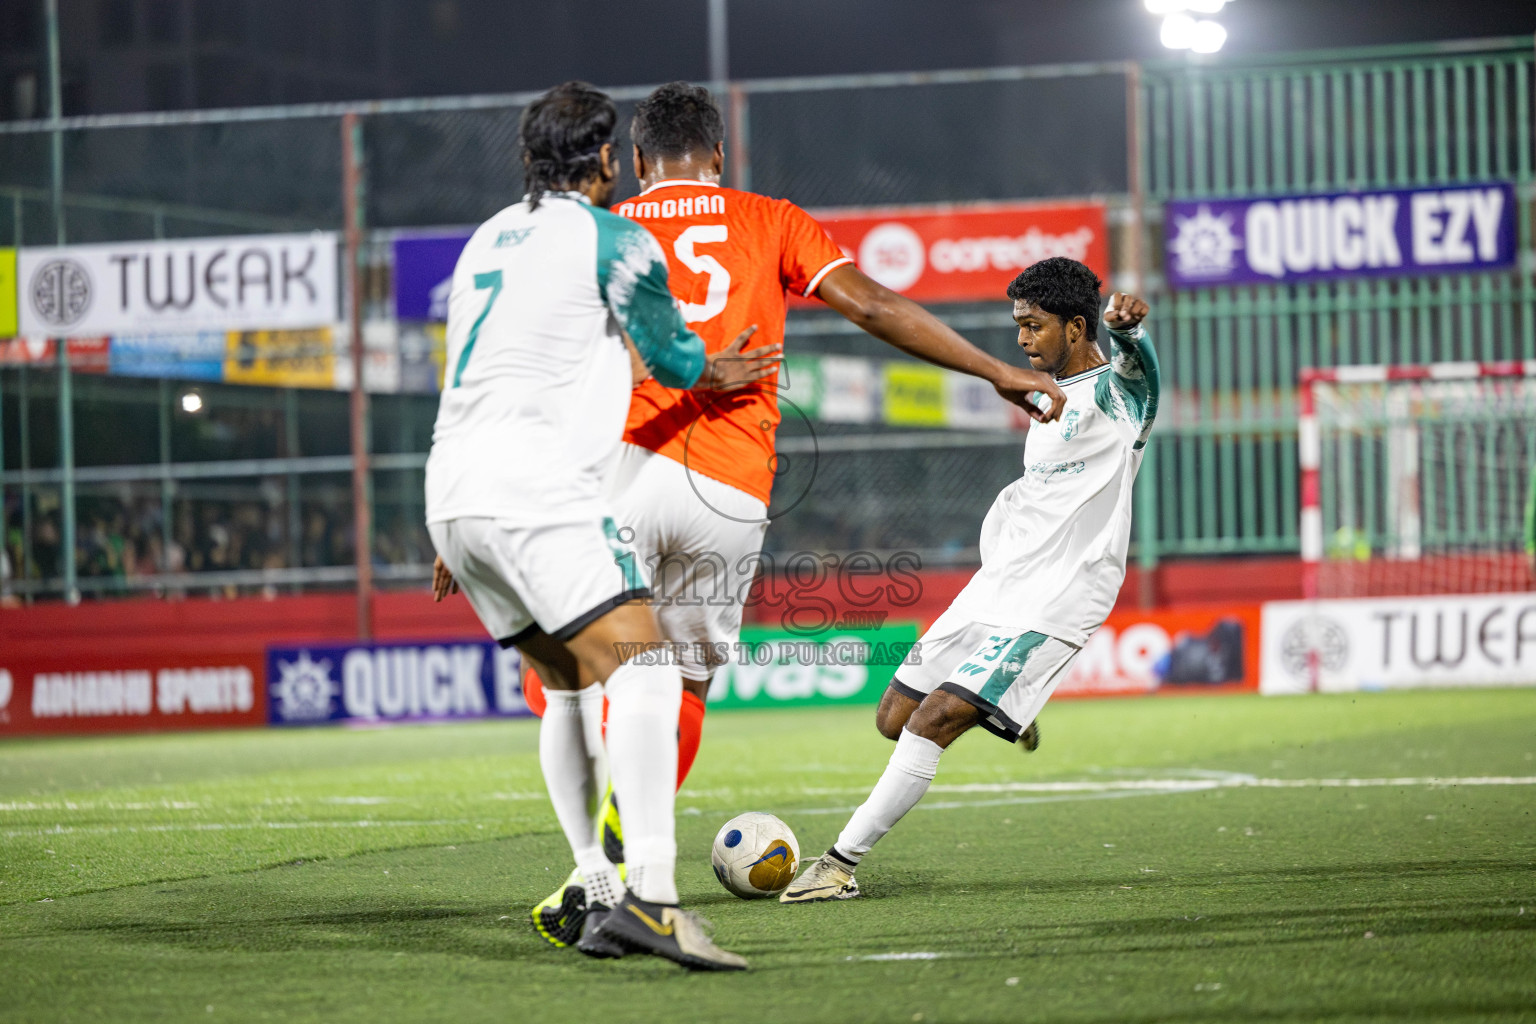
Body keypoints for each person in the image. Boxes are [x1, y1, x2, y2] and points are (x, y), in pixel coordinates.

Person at [482, 80, 1069, 944]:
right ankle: (630, 861)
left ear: (638, 162)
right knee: (682, 680)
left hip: (619, 470)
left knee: (576, 673)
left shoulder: (604, 230)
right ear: (718, 156)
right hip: (727, 490)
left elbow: (537, 365)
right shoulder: (769, 218)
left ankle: (593, 867)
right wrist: (995, 370)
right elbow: (872, 305)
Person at [424, 81, 778, 971]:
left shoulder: (484, 240)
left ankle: (594, 878)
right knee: (650, 662)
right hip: (540, 490)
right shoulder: (615, 235)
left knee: (569, 687)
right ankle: (650, 899)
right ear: (608, 161)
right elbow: (672, 354)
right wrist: (715, 366)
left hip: (456, 489)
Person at [779, 259, 1160, 903]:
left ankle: (839, 864)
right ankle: (1000, 709)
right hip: (997, 585)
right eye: (1016, 325)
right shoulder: (1043, 394)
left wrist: (1129, 332)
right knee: (893, 718)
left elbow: (1139, 368)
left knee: (932, 720)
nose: (1021, 339)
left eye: (1033, 326)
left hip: (1060, 594)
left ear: (1075, 326)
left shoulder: (1121, 400)